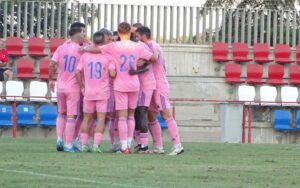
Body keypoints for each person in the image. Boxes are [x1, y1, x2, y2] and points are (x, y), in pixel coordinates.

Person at [83, 22, 158, 154]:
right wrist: (156, 52)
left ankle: (124, 147)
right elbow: (152, 58)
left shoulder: (113, 45)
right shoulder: (137, 46)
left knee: (122, 117)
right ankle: (129, 142)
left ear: (118, 32)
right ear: (130, 33)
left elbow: (96, 49)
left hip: (120, 85)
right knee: (130, 116)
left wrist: (83, 49)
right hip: (134, 84)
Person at [135, 26, 184, 155]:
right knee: (151, 116)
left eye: (137, 36)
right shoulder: (146, 46)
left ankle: (177, 145)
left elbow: (155, 57)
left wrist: (144, 61)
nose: (136, 39)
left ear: (143, 36)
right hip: (152, 85)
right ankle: (158, 146)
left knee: (165, 112)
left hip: (160, 84)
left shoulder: (152, 44)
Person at [76, 31, 116, 153]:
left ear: (93, 40)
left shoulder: (85, 56)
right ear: (104, 41)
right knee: (101, 119)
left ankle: (83, 145)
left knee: (86, 119)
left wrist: (82, 86)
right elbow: (113, 74)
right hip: (102, 92)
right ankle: (96, 146)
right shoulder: (108, 56)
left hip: (88, 91)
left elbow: (77, 72)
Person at [49, 25, 85, 152]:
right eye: (83, 32)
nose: (84, 35)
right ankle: (68, 145)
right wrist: (82, 86)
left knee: (61, 113)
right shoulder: (81, 50)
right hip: (72, 87)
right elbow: (79, 71)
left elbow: (52, 64)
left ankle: (59, 138)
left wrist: (50, 80)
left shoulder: (61, 47)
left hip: (61, 86)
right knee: (71, 116)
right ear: (77, 34)